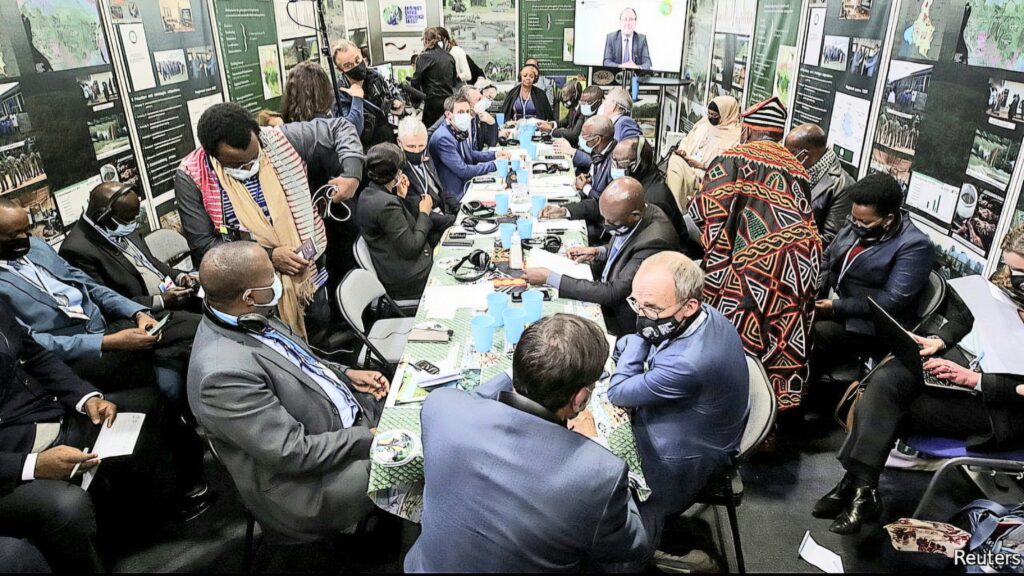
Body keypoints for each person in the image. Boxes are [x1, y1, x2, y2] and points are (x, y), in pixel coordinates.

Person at [815, 225, 1024, 535]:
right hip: (974, 371)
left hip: (1003, 408)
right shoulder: (1008, 281)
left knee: (894, 407)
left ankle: (856, 484)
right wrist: (940, 340)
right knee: (893, 375)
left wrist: (975, 381)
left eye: (1019, 275)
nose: (1011, 280)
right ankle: (862, 486)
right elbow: (964, 315)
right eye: (1010, 268)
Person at [405, 314, 652, 572]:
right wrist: (591, 444)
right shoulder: (600, 474)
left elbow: (471, 399)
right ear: (579, 399)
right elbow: (635, 545)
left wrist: (524, 379)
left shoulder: (441, 406)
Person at [188, 242, 388, 542]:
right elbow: (293, 453)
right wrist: (369, 437)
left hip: (340, 425)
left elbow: (303, 360)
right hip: (306, 485)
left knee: (421, 402)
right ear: (249, 296)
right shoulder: (221, 374)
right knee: (418, 459)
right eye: (271, 277)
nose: (278, 281)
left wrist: (347, 375)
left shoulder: (249, 313)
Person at [0, 302, 209, 573]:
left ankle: (146, 526)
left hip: (45, 416)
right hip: (10, 465)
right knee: (67, 508)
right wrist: (32, 465)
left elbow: (36, 356)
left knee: (142, 408)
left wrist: (85, 397)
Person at [174, 103, 363, 345]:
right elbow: (205, 246)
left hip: (309, 278)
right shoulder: (191, 177)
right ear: (213, 155)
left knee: (318, 335)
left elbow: (340, 127)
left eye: (254, 157)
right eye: (238, 165)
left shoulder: (278, 140)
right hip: (255, 296)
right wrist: (270, 256)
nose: (249, 167)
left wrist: (351, 174)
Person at [688, 96, 822, 413]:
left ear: (747, 130)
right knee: (781, 337)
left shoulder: (730, 158)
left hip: (747, 267)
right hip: (797, 268)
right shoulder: (797, 167)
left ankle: (733, 416)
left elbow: (710, 218)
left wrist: (716, 270)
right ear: (777, 133)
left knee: (737, 339)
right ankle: (771, 420)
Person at [608, 252, 748, 545]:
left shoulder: (688, 363)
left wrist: (640, 339)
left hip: (678, 460)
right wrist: (639, 338)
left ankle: (643, 542)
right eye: (636, 302)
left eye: (652, 308)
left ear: (689, 306)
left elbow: (618, 392)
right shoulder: (705, 313)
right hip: (704, 422)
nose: (641, 315)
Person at [0, 201, 193, 405]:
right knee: (154, 385)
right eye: (14, 235)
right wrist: (106, 342)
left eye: (26, 230)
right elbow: (32, 342)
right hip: (77, 354)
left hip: (108, 326)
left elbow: (91, 286)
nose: (24, 239)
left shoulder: (37, 247)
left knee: (189, 325)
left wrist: (137, 313)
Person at [811, 173, 934, 389]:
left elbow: (889, 301)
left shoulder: (914, 245)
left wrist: (835, 308)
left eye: (864, 222)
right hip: (837, 305)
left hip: (871, 327)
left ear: (888, 219)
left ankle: (802, 401)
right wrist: (813, 290)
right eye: (854, 218)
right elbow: (828, 256)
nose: (855, 225)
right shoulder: (857, 223)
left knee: (813, 334)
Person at [522, 177, 679, 336]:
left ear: (635, 215)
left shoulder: (654, 242)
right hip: (606, 283)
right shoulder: (636, 211)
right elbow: (626, 245)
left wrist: (550, 278)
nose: (604, 224)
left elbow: (615, 292)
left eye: (610, 221)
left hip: (620, 319)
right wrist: (600, 252)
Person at [60, 182, 200, 314]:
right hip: (147, 313)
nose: (133, 224)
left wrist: (180, 277)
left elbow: (152, 262)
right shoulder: (76, 250)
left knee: (215, 298)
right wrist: (161, 301)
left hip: (173, 295)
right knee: (203, 327)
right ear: (102, 217)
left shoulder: (119, 222)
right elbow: (107, 303)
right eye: (129, 220)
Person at [357, 143, 434, 300]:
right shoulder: (386, 204)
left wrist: (400, 198)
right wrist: (425, 213)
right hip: (409, 278)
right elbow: (410, 248)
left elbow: (396, 226)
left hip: (394, 266)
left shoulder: (368, 194)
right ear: (395, 173)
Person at [428, 95, 511, 201]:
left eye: (467, 111)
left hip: (467, 184)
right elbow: (463, 171)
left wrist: (495, 155)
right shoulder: (443, 138)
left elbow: (470, 154)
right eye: (461, 112)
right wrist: (494, 165)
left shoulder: (457, 129)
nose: (466, 115)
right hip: (456, 194)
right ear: (448, 114)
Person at [666, 96, 741, 212]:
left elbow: (727, 168)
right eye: (709, 114)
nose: (710, 117)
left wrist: (701, 165)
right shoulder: (703, 124)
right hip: (689, 167)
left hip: (705, 178)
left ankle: (673, 210)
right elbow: (687, 141)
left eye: (715, 115)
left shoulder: (734, 137)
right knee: (675, 161)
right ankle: (674, 208)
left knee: (675, 167)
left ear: (726, 114)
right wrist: (683, 152)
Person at [785, 123, 855, 248]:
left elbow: (830, 241)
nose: (785, 158)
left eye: (789, 153)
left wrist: (784, 239)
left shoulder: (842, 187)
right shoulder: (795, 172)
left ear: (804, 156)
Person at [332, 40, 401, 148]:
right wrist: (357, 99)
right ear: (340, 69)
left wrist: (395, 104)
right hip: (364, 151)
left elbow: (392, 96)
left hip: (388, 142)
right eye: (349, 65)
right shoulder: (340, 94)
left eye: (357, 59)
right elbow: (349, 131)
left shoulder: (375, 77)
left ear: (360, 53)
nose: (356, 65)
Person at [397, 117, 455, 246]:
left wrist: (459, 207)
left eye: (421, 145)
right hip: (429, 231)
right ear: (399, 143)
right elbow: (417, 212)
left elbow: (438, 188)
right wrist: (454, 221)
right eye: (411, 146)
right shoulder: (399, 172)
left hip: (444, 214)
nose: (417, 151)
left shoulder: (426, 157)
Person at [411, 27, 457, 127]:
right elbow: (454, 82)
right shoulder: (449, 57)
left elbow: (415, 81)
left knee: (430, 135)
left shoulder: (423, 57)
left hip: (432, 105)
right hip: (448, 104)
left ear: (425, 40)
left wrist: (415, 103)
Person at [540, 83, 599, 147]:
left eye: (566, 97)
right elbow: (566, 120)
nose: (565, 101)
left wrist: (552, 131)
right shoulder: (573, 106)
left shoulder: (584, 111)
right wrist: (552, 124)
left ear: (575, 95)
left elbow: (574, 134)